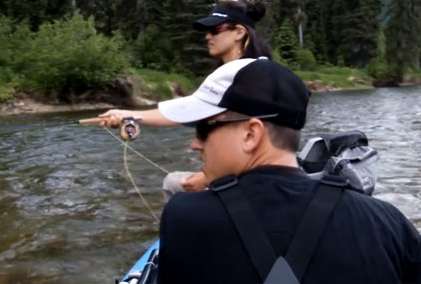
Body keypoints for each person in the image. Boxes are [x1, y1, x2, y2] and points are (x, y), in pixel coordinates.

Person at [155, 58, 421, 283]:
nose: (195, 144)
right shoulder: (388, 222)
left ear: (251, 134)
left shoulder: (183, 216)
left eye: (203, 128)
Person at [99, 0, 272, 194]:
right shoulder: (261, 68)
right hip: (261, 171)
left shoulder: (238, 73)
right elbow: (192, 116)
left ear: (240, 32)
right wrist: (130, 117)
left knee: (172, 183)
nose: (207, 37)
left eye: (215, 30)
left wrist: (209, 177)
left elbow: (184, 112)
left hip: (250, 178)